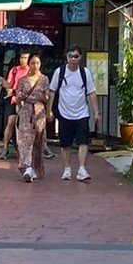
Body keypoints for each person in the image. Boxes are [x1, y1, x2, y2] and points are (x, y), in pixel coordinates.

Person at [50, 46, 99, 181]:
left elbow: (92, 92)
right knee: (65, 144)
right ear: (66, 57)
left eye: (76, 56)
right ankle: (67, 169)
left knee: (83, 142)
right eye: (70, 56)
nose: (73, 59)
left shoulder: (85, 73)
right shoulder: (59, 72)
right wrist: (49, 110)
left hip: (82, 113)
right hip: (64, 113)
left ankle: (82, 169)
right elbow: (52, 91)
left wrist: (96, 112)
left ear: (80, 58)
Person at [12, 51, 54, 182]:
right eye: (32, 63)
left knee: (38, 141)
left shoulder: (44, 79)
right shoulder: (22, 80)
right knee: (24, 140)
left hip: (39, 111)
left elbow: (47, 97)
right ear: (28, 64)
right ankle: (27, 167)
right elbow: (17, 97)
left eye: (37, 63)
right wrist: (19, 98)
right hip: (26, 111)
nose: (35, 65)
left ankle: (36, 167)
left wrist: (48, 109)